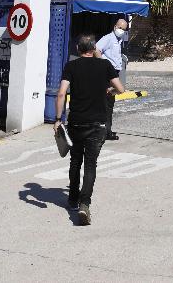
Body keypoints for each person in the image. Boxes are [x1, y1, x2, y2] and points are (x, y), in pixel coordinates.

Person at [54, 32, 124, 225]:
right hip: (98, 124)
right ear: (94, 49)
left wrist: (58, 119)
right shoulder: (105, 65)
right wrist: (109, 90)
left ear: (78, 49)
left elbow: (61, 94)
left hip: (77, 123)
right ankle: (85, 204)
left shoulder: (71, 66)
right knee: (90, 164)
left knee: (75, 161)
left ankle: (72, 199)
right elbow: (120, 88)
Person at [95, 17, 131, 140]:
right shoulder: (109, 38)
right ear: (115, 27)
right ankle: (104, 132)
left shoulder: (118, 40)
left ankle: (107, 131)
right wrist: (103, 64)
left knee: (110, 103)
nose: (121, 31)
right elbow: (96, 49)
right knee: (106, 103)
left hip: (113, 73)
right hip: (107, 73)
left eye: (124, 29)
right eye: (120, 28)